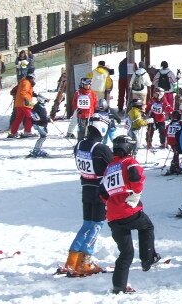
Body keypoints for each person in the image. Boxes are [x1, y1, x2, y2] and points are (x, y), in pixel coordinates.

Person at [101, 135, 160, 295]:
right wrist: (136, 194)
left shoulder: (109, 167)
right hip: (128, 209)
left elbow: (102, 191)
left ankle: (119, 287)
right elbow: (136, 177)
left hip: (113, 215)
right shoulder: (129, 162)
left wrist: (112, 202)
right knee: (147, 226)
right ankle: (148, 259)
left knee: (126, 253)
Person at [64, 117, 114, 275]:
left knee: (86, 224)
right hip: (100, 190)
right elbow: (113, 165)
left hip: (86, 187)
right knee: (97, 225)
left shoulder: (79, 144)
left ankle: (72, 260)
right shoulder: (102, 148)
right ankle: (85, 261)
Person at [8, 73, 37, 139]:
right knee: (30, 117)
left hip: (19, 103)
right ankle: (27, 132)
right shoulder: (27, 82)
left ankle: (13, 132)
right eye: (34, 79)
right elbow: (23, 92)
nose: (34, 80)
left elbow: (25, 91)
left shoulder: (23, 82)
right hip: (26, 103)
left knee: (19, 118)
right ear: (32, 78)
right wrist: (26, 99)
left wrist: (35, 95)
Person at [165, 110, 182, 175]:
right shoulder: (180, 124)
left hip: (171, 141)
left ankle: (176, 166)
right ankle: (174, 167)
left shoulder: (169, 125)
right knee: (176, 153)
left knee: (176, 153)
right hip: (176, 141)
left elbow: (166, 132)